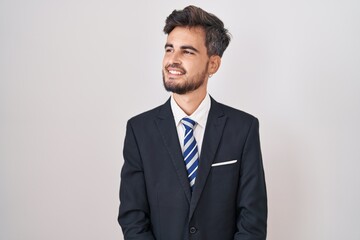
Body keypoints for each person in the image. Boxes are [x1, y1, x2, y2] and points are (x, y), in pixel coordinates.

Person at [118, 5, 267, 240]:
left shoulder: (243, 128)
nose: (172, 60)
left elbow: (252, 219)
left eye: (187, 52)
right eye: (169, 49)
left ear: (213, 64)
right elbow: (133, 217)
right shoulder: (139, 131)